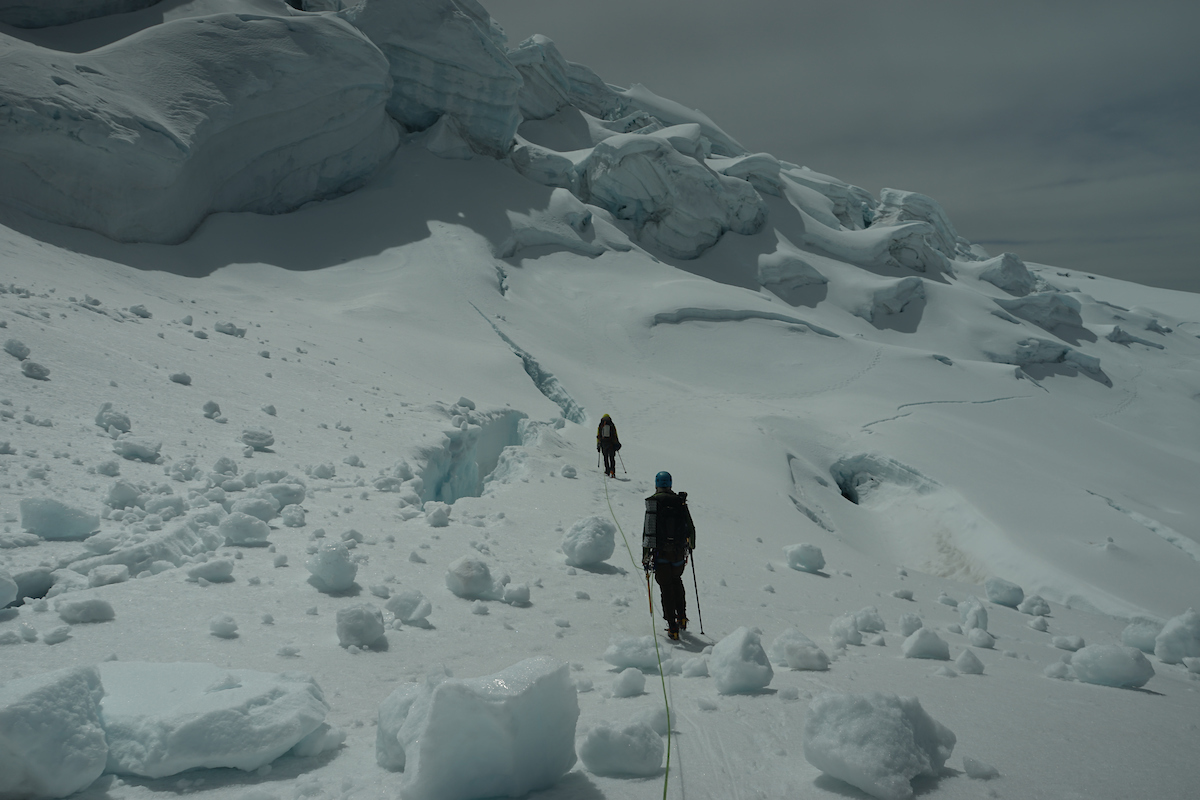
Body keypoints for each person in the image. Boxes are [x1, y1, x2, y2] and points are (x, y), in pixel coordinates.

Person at [642, 471, 696, 639]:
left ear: (656, 484)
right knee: (676, 582)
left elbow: (648, 531)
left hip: (661, 554)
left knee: (666, 587)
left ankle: (672, 625)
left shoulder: (653, 502)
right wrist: (690, 546)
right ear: (670, 484)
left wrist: (645, 556)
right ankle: (682, 617)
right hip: (679, 554)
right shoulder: (680, 503)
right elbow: (691, 528)